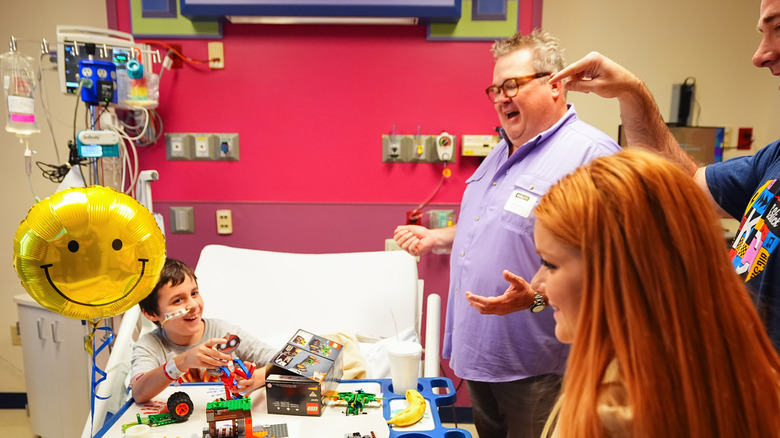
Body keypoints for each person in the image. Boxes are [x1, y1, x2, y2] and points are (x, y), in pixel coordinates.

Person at [393, 29, 620, 437]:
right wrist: (438, 239)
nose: (501, 98)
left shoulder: (592, 155)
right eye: (495, 89)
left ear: (555, 83)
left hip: (537, 364)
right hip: (482, 353)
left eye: (512, 85)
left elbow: (610, 268)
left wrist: (534, 298)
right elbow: (496, 224)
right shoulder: (502, 150)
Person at [535, 0, 780, 352]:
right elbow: (686, 184)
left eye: (779, 28)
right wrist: (631, 92)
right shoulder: (775, 158)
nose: (759, 56)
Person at [524, 149, 780, 437]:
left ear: (621, 276)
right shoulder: (749, 376)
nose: (536, 283)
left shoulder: (611, 413)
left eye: (550, 263)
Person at [130, 258, 276, 403]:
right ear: (151, 313)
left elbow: (286, 363)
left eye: (194, 293)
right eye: (178, 300)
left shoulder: (224, 334)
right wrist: (182, 361)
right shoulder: (150, 346)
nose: (193, 305)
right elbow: (139, 393)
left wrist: (256, 379)